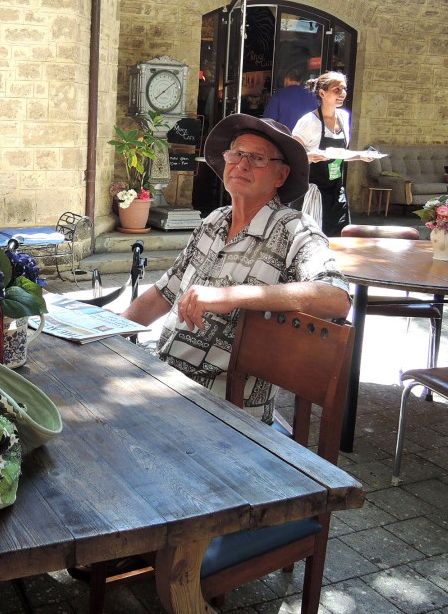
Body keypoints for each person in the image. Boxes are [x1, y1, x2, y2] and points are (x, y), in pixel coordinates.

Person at [120, 114, 351, 422]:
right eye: (236, 154)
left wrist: (232, 295)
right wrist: (110, 331)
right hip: (166, 384)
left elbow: (335, 298)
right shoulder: (214, 221)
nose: (242, 165)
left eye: (257, 158)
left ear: (280, 175)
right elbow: (164, 293)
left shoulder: (293, 229)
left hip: (225, 411)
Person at [291, 72, 374, 237]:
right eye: (337, 89)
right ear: (322, 93)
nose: (342, 93)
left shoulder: (343, 118)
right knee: (312, 240)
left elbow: (340, 153)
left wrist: (360, 155)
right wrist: (309, 156)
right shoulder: (309, 121)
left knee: (340, 238)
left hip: (337, 191)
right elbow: (292, 153)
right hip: (313, 193)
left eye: (344, 89)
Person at [262, 66, 316, 132]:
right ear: (300, 81)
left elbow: (268, 122)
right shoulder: (312, 96)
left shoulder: (278, 95)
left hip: (284, 139)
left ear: (287, 79)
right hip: (306, 138)